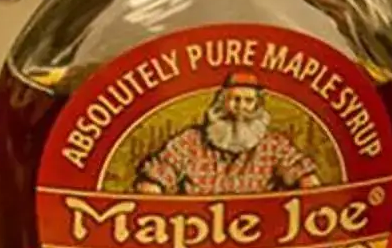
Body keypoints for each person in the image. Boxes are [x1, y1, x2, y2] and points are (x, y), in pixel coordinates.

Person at [133, 76, 322, 196]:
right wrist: (153, 187)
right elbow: (163, 169)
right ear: (222, 102)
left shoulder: (273, 145)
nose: (241, 107)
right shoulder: (191, 141)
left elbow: (302, 174)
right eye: (235, 99)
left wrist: (307, 185)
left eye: (248, 101)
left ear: (257, 106)